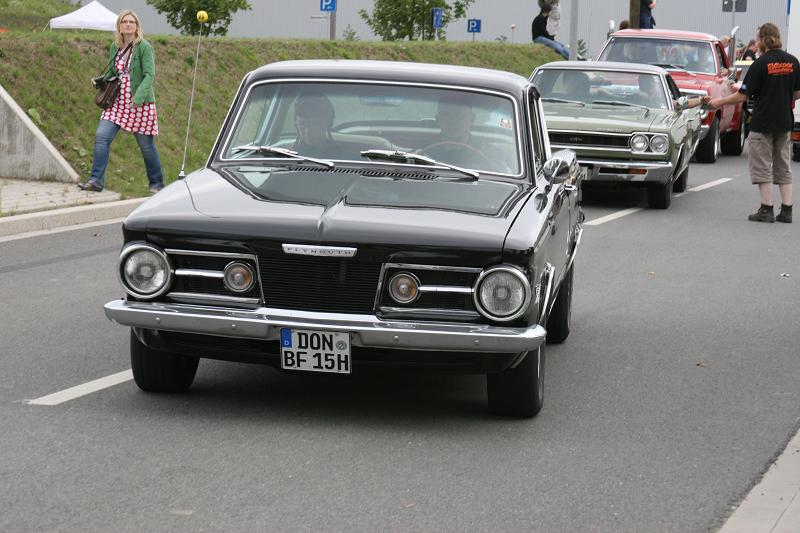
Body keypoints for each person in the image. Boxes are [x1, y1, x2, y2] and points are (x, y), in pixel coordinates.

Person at [708, 23, 800, 223]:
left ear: (764, 39)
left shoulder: (760, 64)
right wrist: (783, 96)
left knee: (762, 166)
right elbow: (797, 92)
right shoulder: (792, 61)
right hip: (784, 122)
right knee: (783, 166)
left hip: (763, 122)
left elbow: (742, 96)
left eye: (758, 39)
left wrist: (719, 102)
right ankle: (787, 210)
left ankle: (766, 209)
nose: (756, 43)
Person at [78, 10, 164, 194]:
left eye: (132, 22)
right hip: (117, 102)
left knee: (146, 146)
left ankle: (157, 184)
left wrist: (138, 98)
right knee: (102, 136)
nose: (128, 24)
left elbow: (150, 75)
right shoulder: (115, 46)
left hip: (139, 103)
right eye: (124, 21)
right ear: (119, 26)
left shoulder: (144, 47)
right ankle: (95, 181)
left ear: (137, 26)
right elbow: (113, 72)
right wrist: (100, 80)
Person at [291, 92, 345, 159]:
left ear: (327, 123)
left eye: (314, 124)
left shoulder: (344, 159)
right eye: (302, 124)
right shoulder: (285, 156)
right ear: (296, 125)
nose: (308, 131)